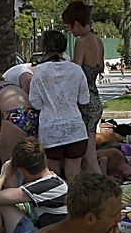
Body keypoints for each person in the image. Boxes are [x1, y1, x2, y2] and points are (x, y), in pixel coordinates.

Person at [27, 29, 91, 182]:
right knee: (73, 176)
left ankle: (57, 205)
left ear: (45, 47)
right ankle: (75, 204)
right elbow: (84, 100)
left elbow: (35, 103)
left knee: (53, 177)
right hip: (75, 129)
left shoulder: (39, 72)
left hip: (50, 131)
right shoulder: (76, 69)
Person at [65, 1, 105, 176]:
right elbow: (101, 67)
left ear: (75, 23)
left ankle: (101, 187)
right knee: (91, 151)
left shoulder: (81, 42)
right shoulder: (98, 41)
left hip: (85, 101)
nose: (70, 32)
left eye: (69, 26)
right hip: (96, 100)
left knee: (88, 155)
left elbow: (76, 71)